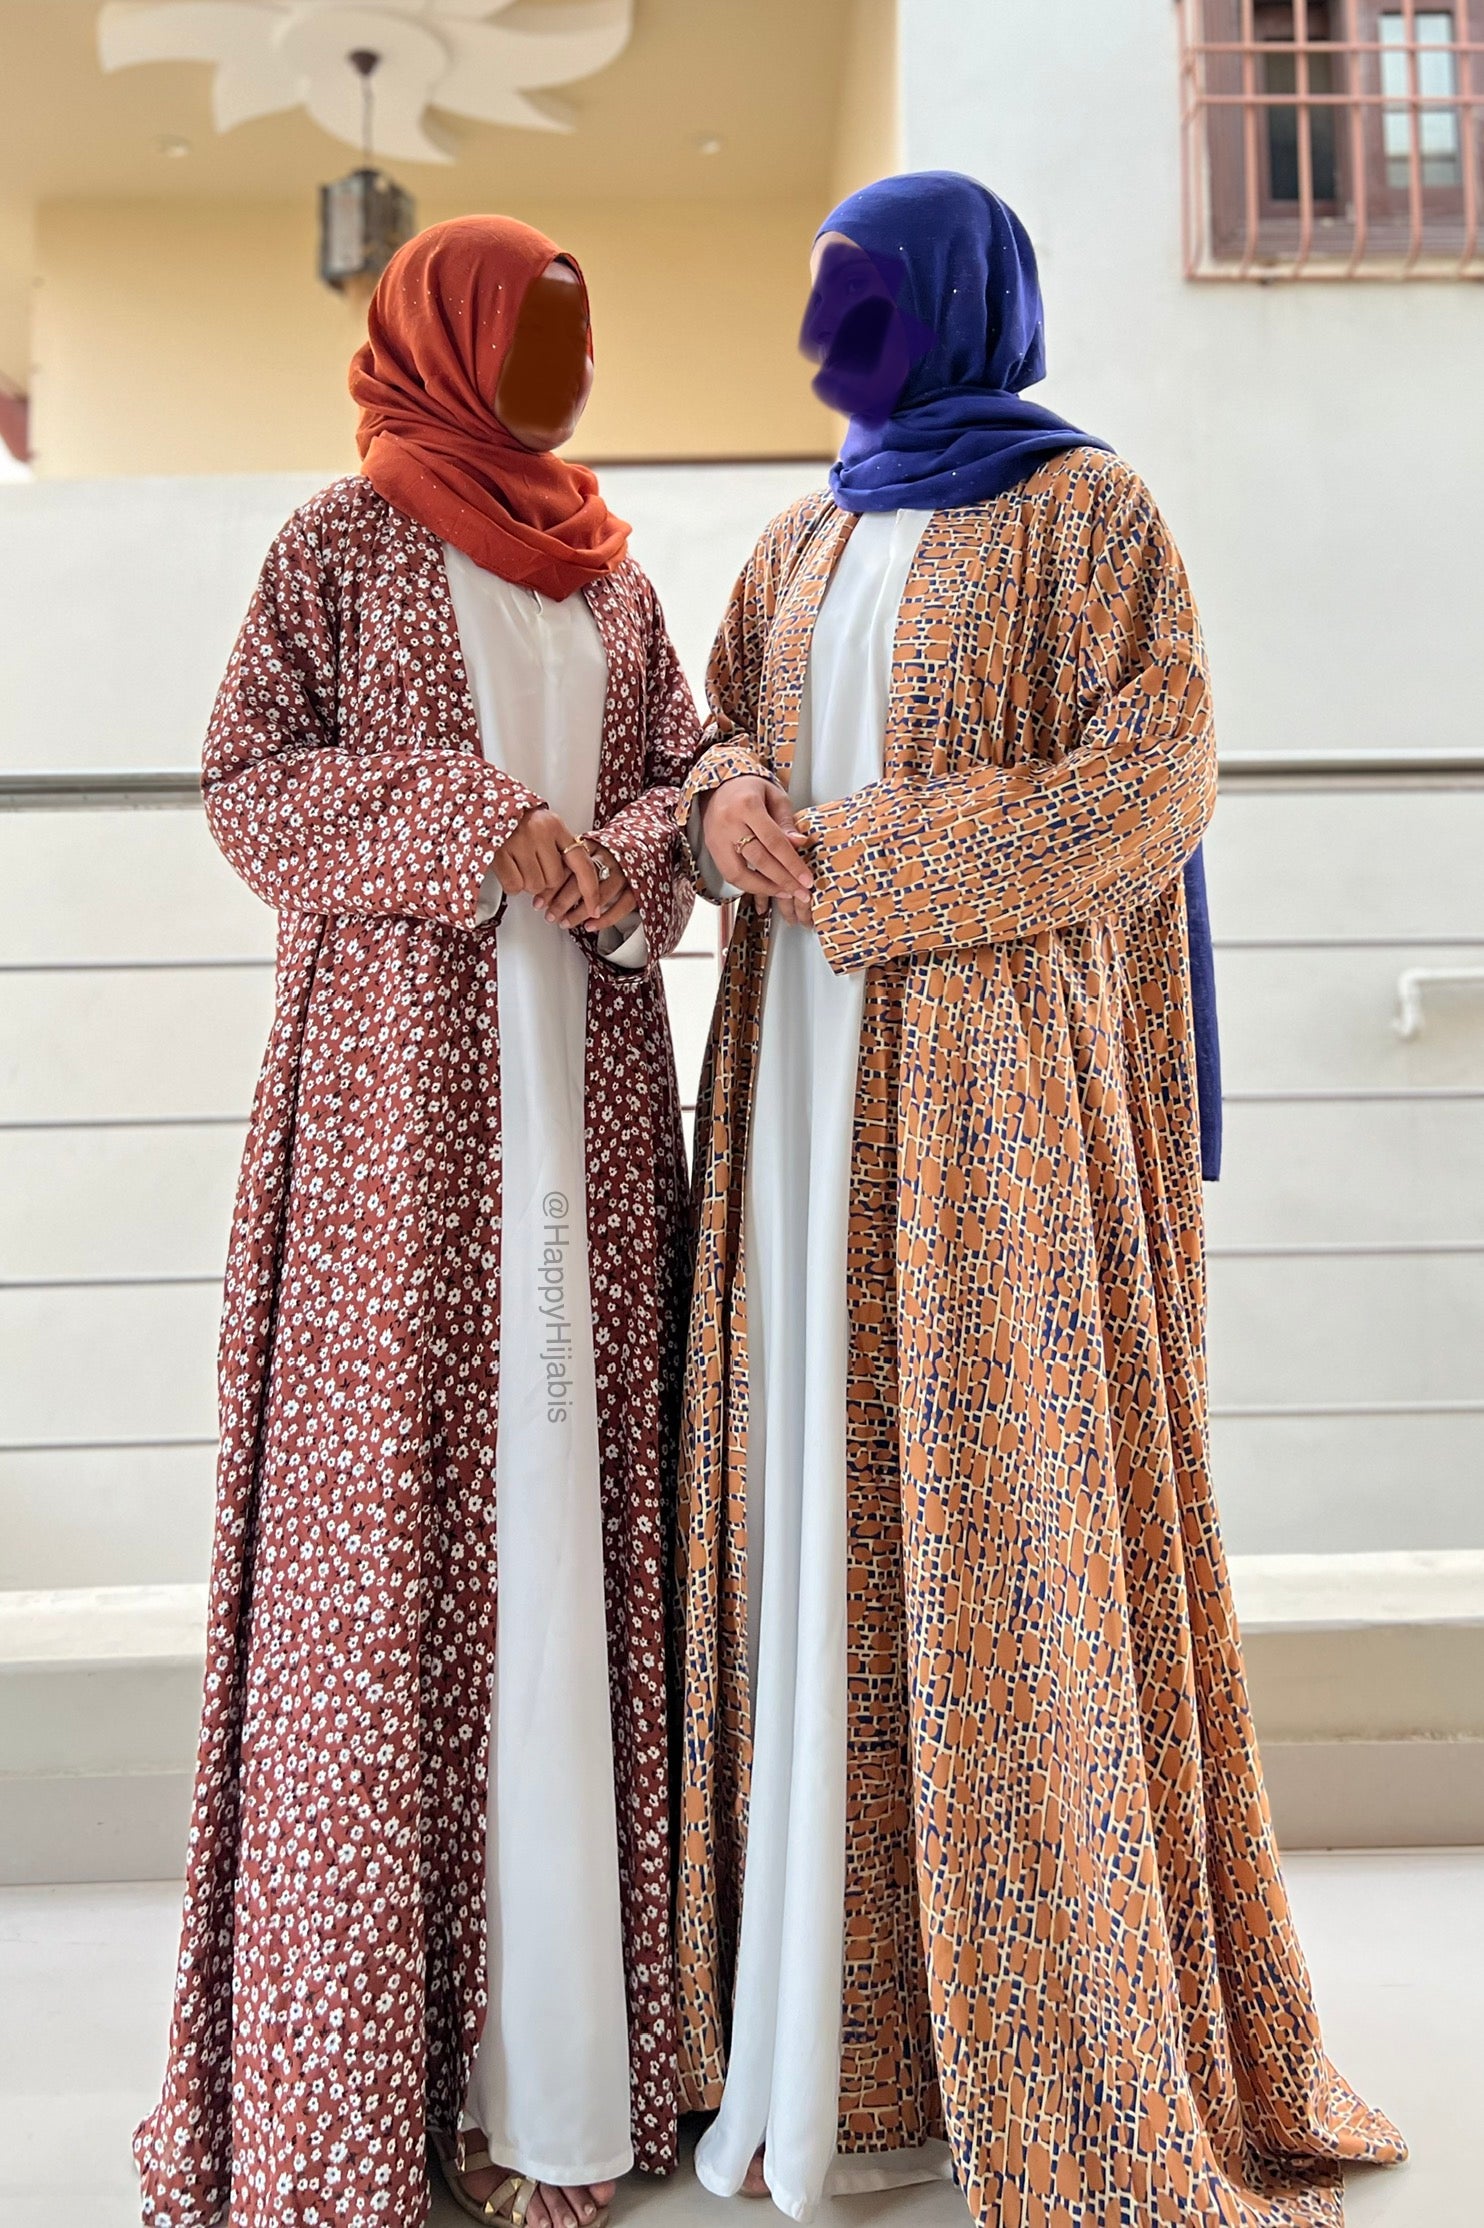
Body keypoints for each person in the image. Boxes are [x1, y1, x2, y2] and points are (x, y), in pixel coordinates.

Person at [671, 172, 1404, 2227]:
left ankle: (1054, 2044)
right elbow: (713, 729)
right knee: (815, 1515)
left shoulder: (1090, 513)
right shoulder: (800, 535)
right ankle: (838, 2040)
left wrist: (876, 858)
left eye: (856, 296)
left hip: (991, 1100)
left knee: (998, 1521)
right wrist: (727, 802)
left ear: (952, 302)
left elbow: (1150, 778)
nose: (823, 332)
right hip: (794, 1082)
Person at [135, 216, 699, 2228]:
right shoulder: (338, 547)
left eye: (582, 336)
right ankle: (385, 2089)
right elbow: (248, 788)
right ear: (446, 345)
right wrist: (478, 828)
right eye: (538, 337)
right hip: (400, 1141)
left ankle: (565, 2089)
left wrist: (624, 859)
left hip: (588, 1120)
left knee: (571, 1540)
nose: (571, 372)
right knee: (393, 1557)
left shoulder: (612, 575)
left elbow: (681, 780)